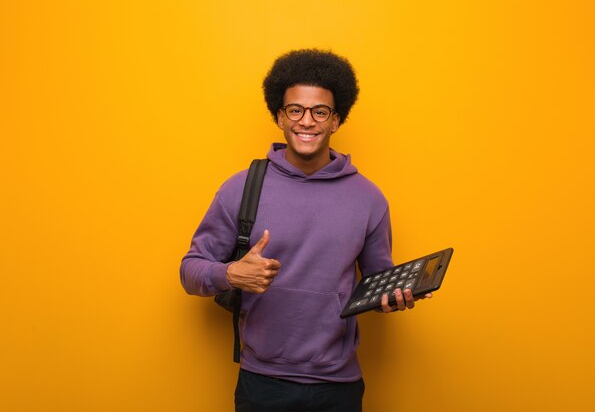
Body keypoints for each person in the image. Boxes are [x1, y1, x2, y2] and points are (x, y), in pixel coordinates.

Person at [180, 49, 431, 412]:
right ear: (280, 116)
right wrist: (231, 273)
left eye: (320, 111)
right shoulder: (241, 188)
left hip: (339, 386)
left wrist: (394, 297)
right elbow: (190, 270)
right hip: (262, 383)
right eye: (295, 110)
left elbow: (375, 284)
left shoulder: (369, 199)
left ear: (336, 120)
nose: (307, 121)